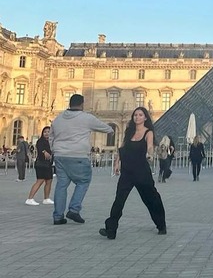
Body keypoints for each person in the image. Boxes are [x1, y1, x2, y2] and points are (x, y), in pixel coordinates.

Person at [100, 107, 167, 240]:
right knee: (119, 200)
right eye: (135, 115)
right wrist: (117, 162)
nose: (137, 117)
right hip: (127, 172)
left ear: (145, 118)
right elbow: (122, 148)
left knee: (151, 199)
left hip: (142, 172)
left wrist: (150, 154)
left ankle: (161, 224)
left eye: (140, 115)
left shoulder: (148, 132)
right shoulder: (129, 132)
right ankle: (111, 229)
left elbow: (149, 146)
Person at [50, 94, 113, 225]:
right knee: (83, 181)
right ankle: (74, 209)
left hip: (60, 156)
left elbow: (51, 136)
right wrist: (111, 131)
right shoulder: (86, 118)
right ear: (82, 104)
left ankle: (58, 216)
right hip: (78, 155)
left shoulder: (58, 118)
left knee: (61, 185)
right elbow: (106, 128)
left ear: (69, 103)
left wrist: (55, 149)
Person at [26, 127, 55, 206]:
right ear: (42, 133)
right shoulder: (40, 141)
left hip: (48, 164)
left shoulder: (51, 142)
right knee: (40, 181)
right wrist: (44, 152)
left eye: (48, 132)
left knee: (49, 181)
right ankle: (30, 199)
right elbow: (40, 148)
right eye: (45, 132)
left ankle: (46, 198)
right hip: (41, 164)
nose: (46, 133)